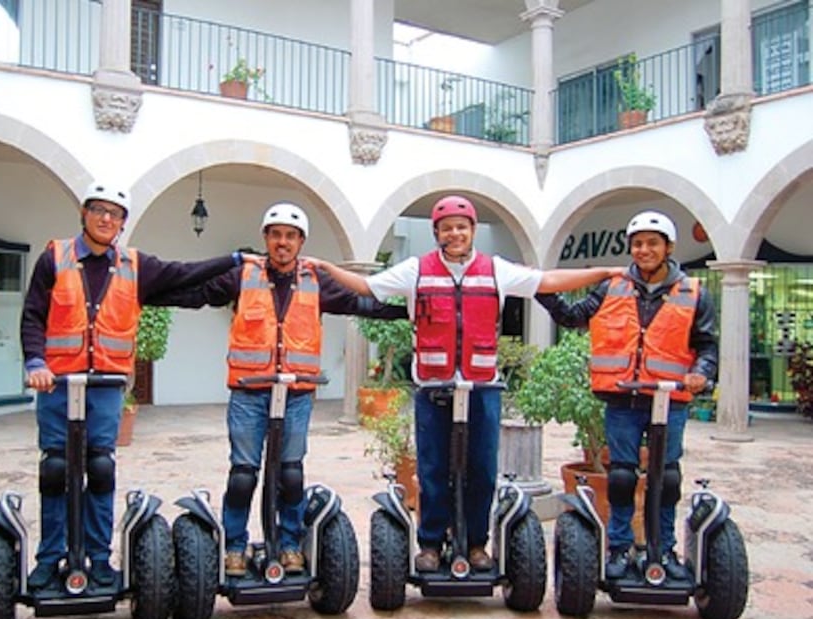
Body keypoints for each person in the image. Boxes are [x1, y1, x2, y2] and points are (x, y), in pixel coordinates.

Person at [308, 194, 624, 573]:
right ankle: (430, 543)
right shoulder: (416, 271)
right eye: (446, 228)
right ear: (436, 233)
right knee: (432, 468)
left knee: (481, 469)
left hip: (482, 389)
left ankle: (476, 543)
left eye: (461, 226)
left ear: (472, 230)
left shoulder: (496, 270)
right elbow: (365, 286)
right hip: (433, 388)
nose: (454, 233)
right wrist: (327, 267)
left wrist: (603, 273)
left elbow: (549, 280)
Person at [151, 202, 406, 576]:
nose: (282, 242)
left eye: (290, 236)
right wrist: (149, 295)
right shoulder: (244, 275)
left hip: (296, 395)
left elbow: (360, 303)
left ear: (301, 241)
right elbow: (200, 294)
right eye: (275, 235)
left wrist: (412, 312)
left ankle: (289, 543)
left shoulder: (316, 280)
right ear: (266, 239)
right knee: (243, 474)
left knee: (290, 473)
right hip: (249, 393)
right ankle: (234, 546)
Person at [21, 181, 249, 590]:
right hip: (59, 383)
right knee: (55, 469)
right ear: (84, 214)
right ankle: (50, 557)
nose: (106, 218)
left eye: (115, 213)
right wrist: (36, 361)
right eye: (99, 210)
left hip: (106, 385)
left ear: (123, 223)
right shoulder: (54, 257)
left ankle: (99, 557)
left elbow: (185, 273)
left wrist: (233, 259)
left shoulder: (134, 264)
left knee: (100, 467)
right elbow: (34, 315)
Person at [535, 210, 717, 581]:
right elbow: (573, 316)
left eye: (652, 243)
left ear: (668, 247)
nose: (643, 250)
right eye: (637, 244)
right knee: (620, 476)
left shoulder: (695, 292)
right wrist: (539, 288)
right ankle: (619, 547)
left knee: (666, 477)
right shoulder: (612, 286)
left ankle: (663, 549)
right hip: (623, 397)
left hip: (670, 399)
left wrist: (701, 374)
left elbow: (707, 347)